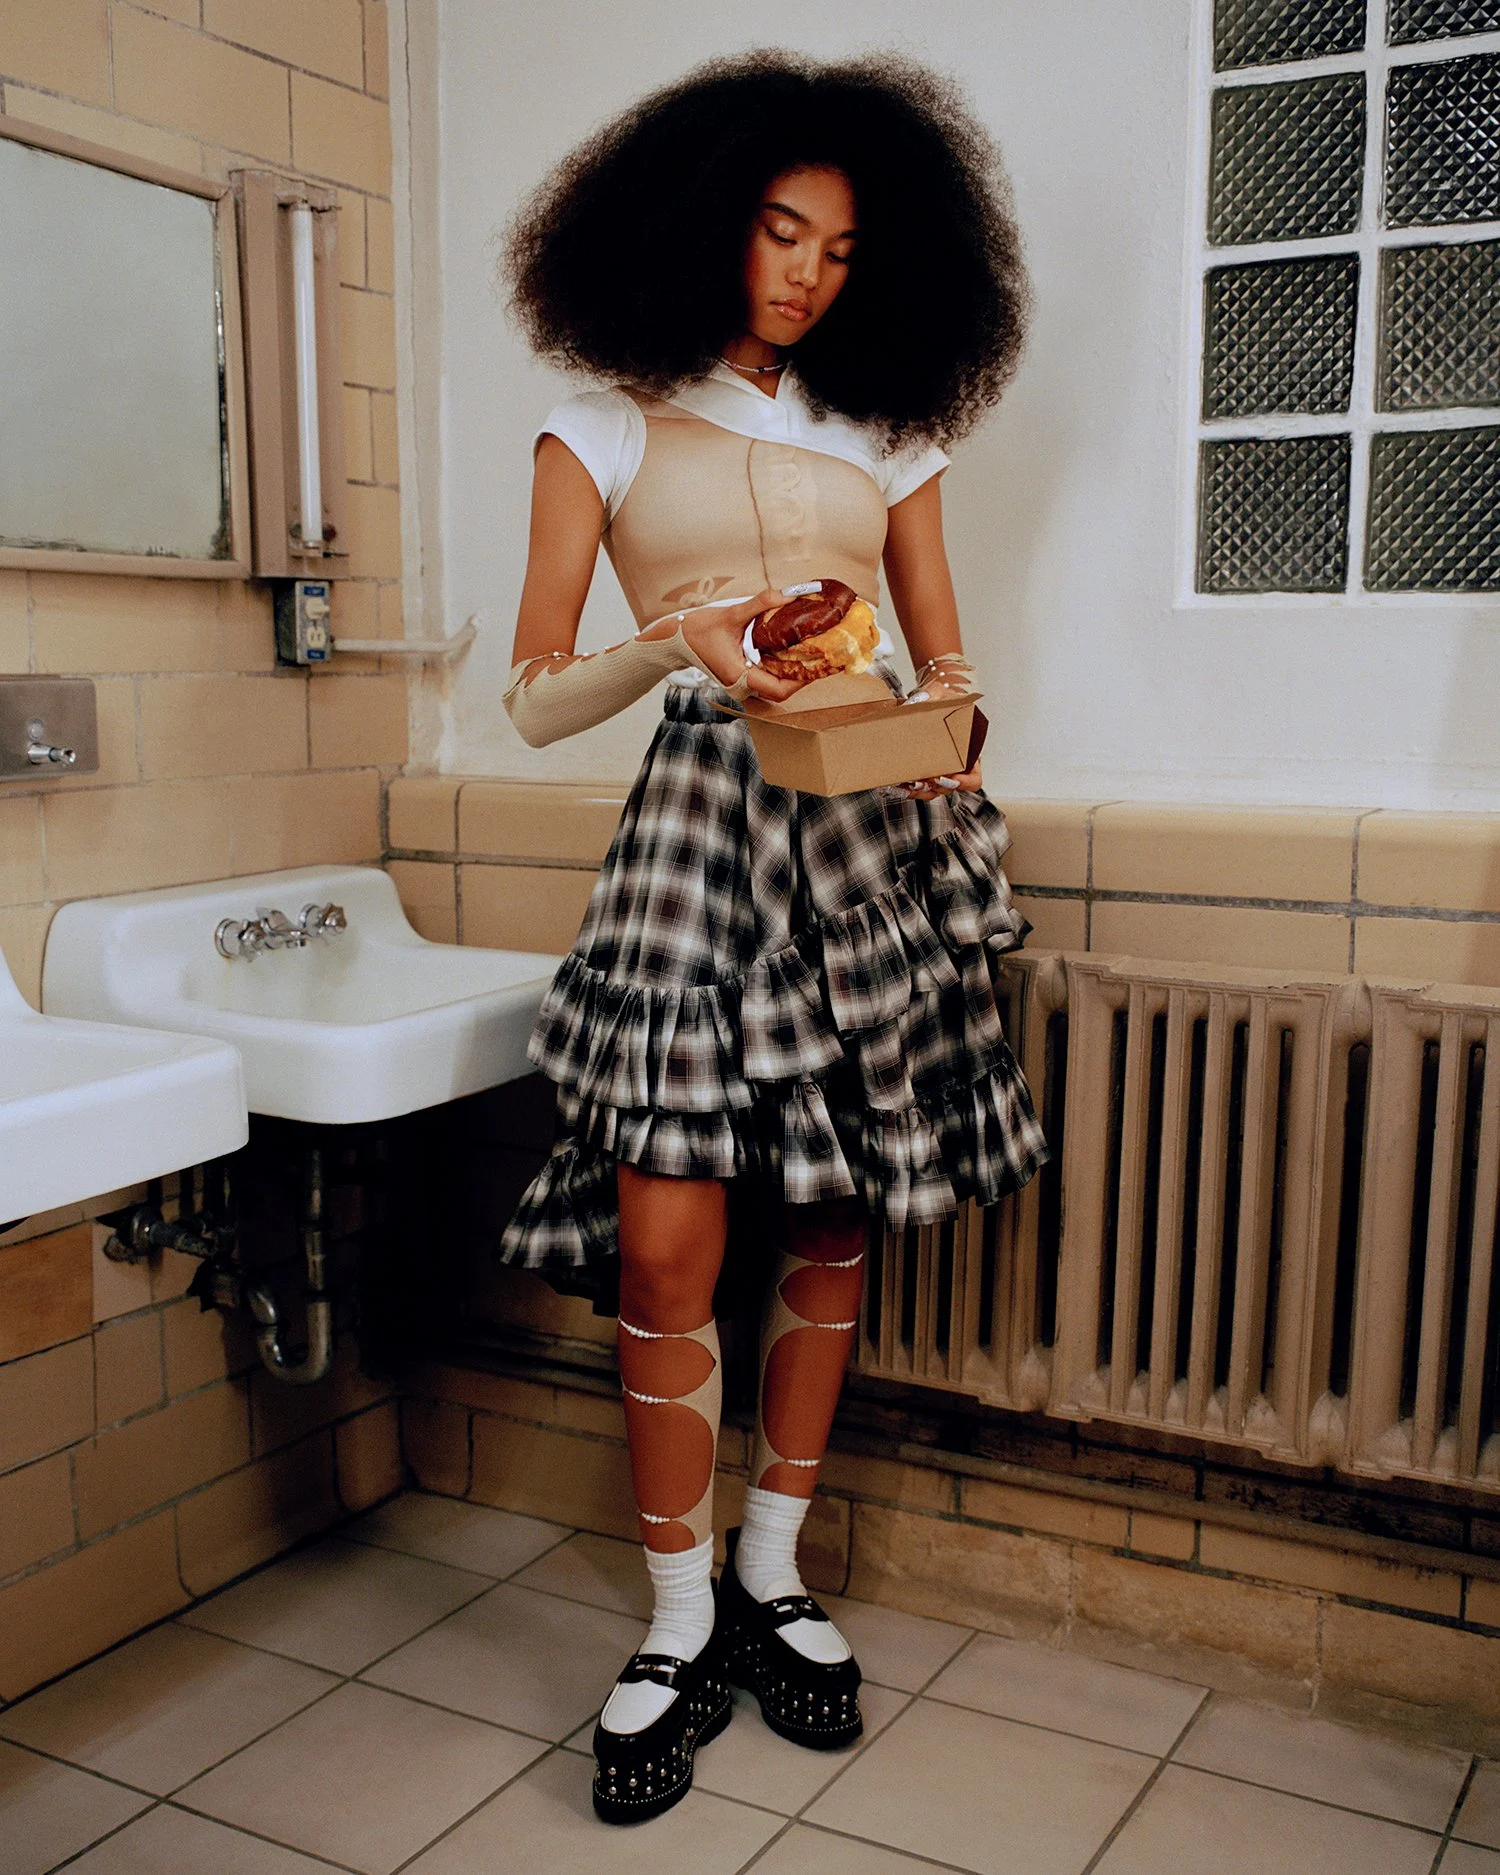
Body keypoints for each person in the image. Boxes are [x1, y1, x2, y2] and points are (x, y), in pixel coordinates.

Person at [496, 48, 1047, 1823]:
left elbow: (948, 658)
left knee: (828, 1210)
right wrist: (680, 639)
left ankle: (772, 1572)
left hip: (860, 826)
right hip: (695, 845)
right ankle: (669, 1609)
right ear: (701, 219)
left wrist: (945, 733)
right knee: (667, 1248)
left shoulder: (893, 432)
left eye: (838, 248)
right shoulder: (600, 420)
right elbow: (526, 701)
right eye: (776, 229)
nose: (805, 272)